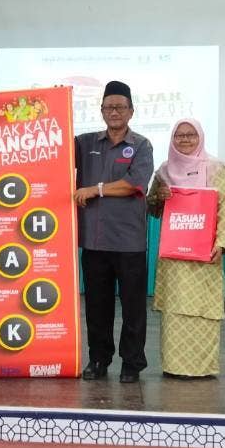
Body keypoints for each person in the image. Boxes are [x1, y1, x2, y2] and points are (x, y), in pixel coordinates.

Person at [73, 80, 154, 384]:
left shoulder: (142, 145)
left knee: (133, 308)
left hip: (130, 241)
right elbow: (53, 150)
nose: (115, 112)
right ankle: (98, 359)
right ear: (101, 111)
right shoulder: (86, 143)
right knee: (96, 306)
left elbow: (135, 184)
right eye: (109, 107)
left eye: (120, 107)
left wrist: (95, 189)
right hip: (94, 241)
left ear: (131, 111)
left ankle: (132, 363)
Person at [146, 118, 225, 378]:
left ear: (200, 137)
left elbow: (224, 207)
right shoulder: (163, 170)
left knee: (203, 308)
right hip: (175, 256)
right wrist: (158, 197)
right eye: (179, 136)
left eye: (190, 135)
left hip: (204, 254)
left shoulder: (215, 167)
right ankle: (174, 366)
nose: (184, 139)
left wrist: (221, 243)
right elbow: (152, 209)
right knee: (175, 308)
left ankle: (203, 367)